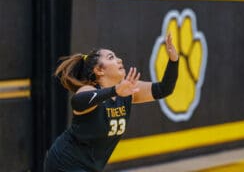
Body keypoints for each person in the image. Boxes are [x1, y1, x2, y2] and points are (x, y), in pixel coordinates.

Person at [44, 33, 179, 172]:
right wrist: (115, 90)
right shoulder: (90, 89)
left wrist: (174, 61)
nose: (119, 60)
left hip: (90, 167)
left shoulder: (127, 90)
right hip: (65, 162)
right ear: (99, 70)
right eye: (111, 57)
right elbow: (77, 102)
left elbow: (164, 89)